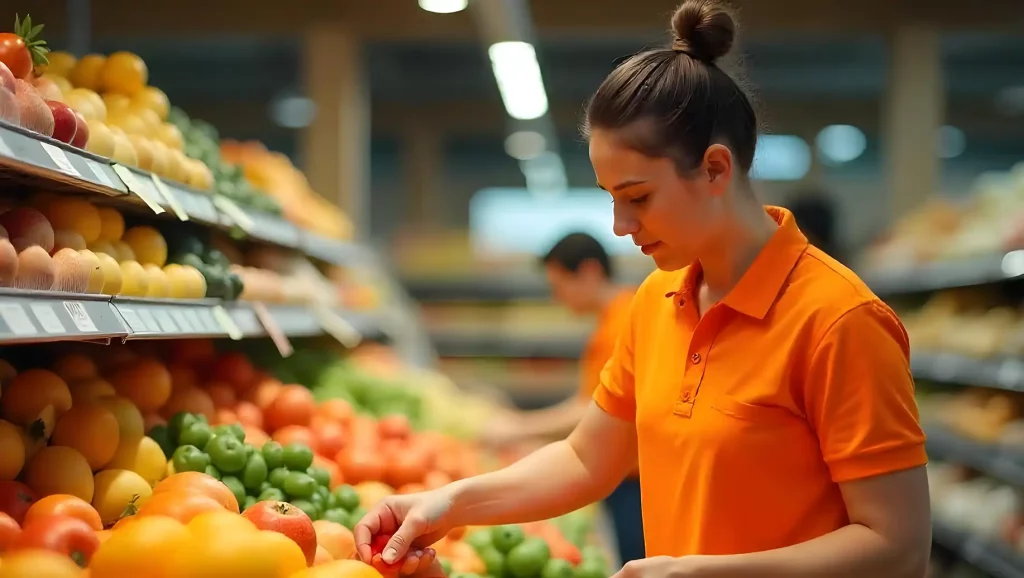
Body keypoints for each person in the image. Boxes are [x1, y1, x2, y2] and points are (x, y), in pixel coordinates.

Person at [356, 1, 932, 576]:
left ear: (714, 169)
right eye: (611, 198)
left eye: (637, 198)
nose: (619, 227)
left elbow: (898, 546)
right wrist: (450, 503)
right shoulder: (654, 305)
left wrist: (702, 574)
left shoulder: (840, 322)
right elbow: (587, 458)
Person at [482, 231, 644, 564]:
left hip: (637, 480)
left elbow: (591, 408)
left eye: (559, 286)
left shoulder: (623, 322)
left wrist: (519, 427)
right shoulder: (616, 317)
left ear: (589, 271)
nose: (558, 298)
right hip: (626, 473)